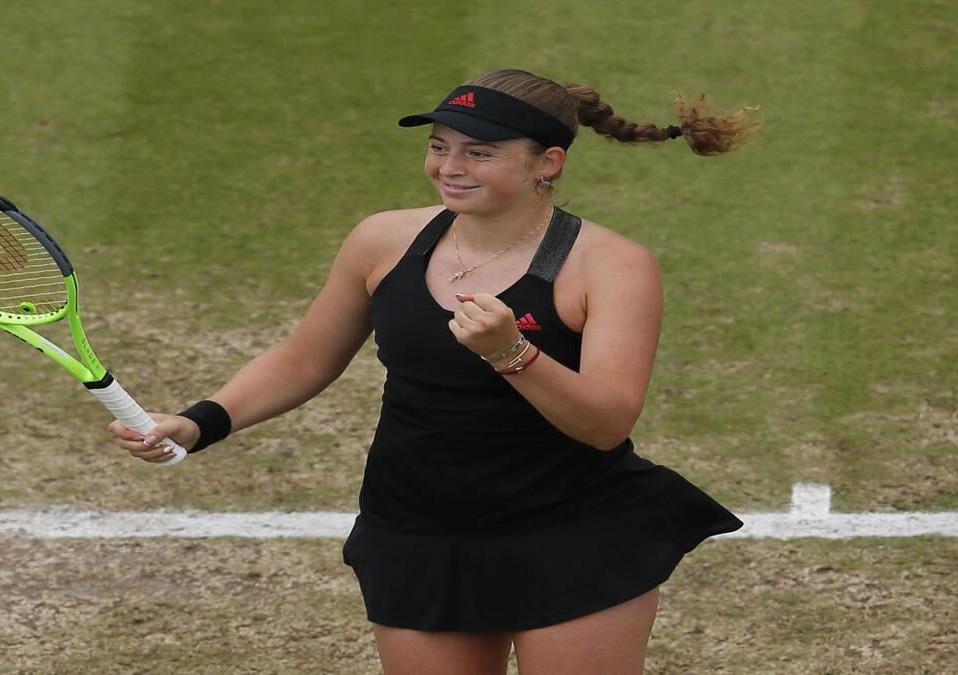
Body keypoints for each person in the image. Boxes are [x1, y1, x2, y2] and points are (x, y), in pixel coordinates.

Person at [109, 68, 759, 674]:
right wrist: (199, 423)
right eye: (440, 146)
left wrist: (514, 353)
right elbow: (305, 357)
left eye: (479, 152)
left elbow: (605, 423)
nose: (449, 167)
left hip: (572, 529)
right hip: (416, 530)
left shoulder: (610, 266)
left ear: (548, 163)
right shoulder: (382, 240)